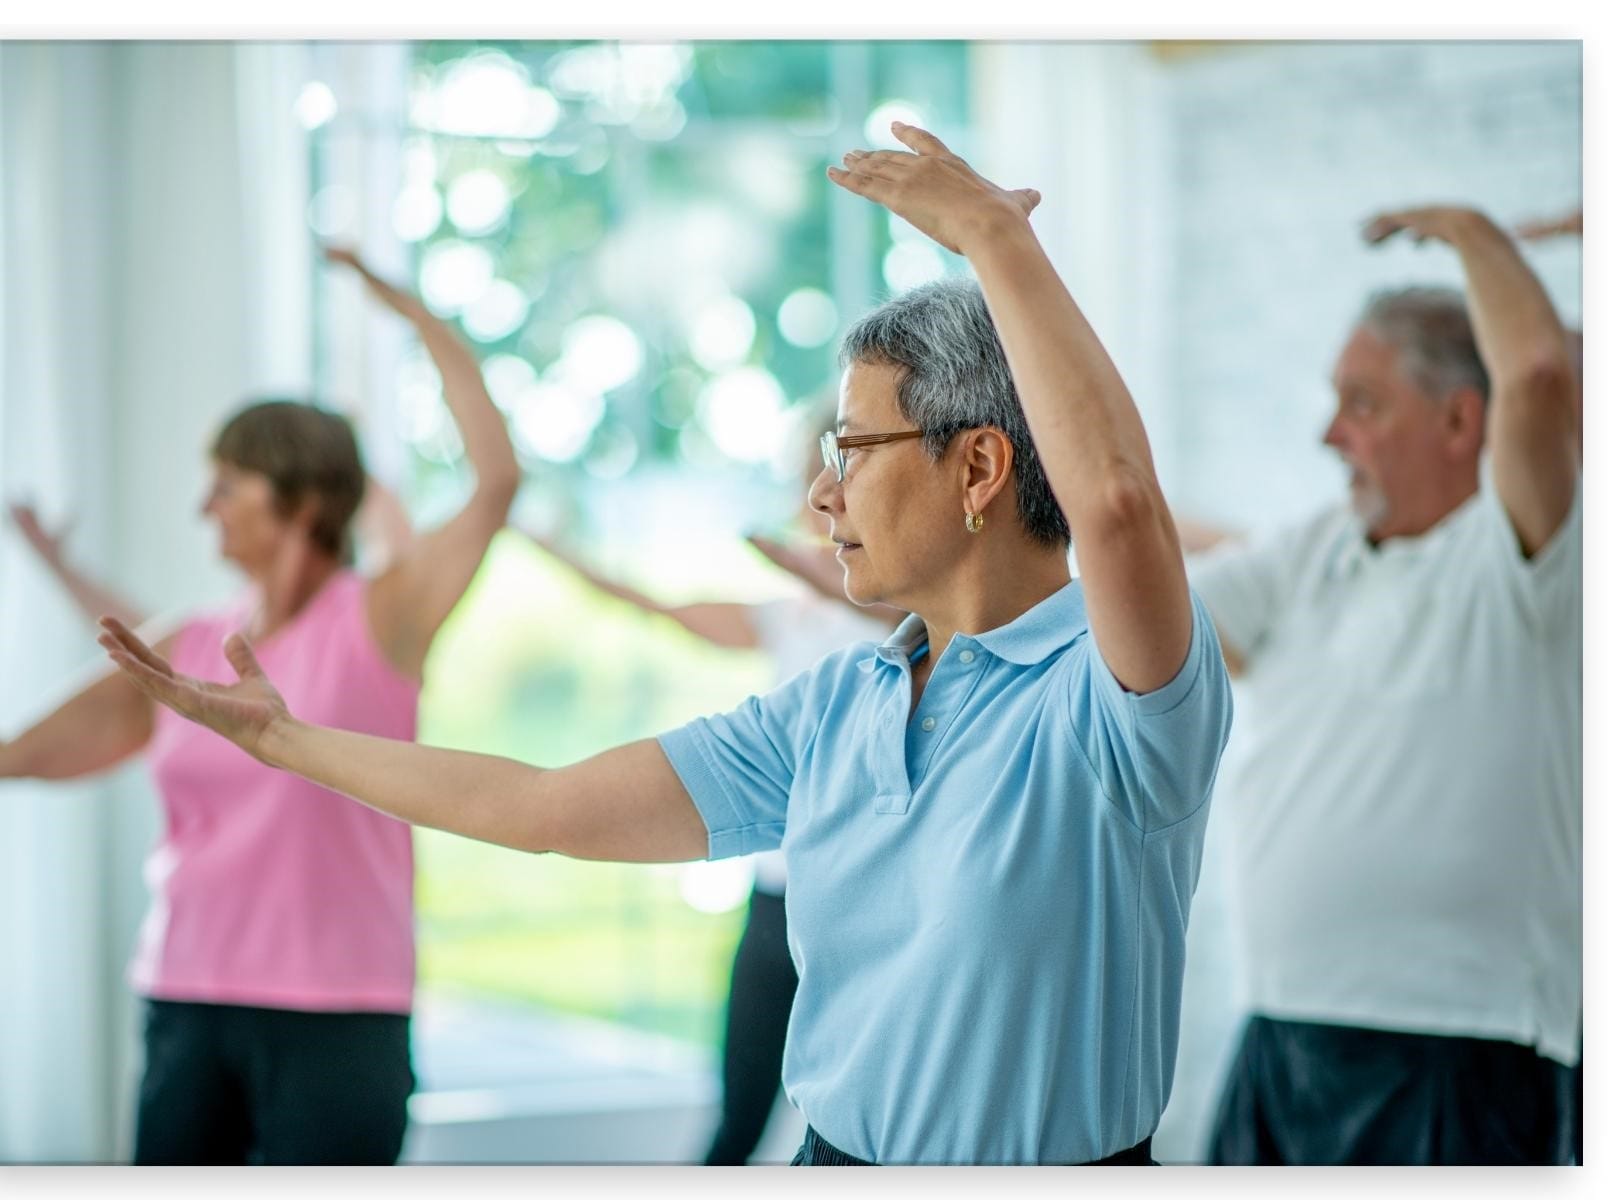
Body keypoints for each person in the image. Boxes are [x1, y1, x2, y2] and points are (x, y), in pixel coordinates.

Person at [97, 123, 1233, 1166]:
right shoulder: (835, 704)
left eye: (852, 450)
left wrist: (993, 239)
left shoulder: (1115, 697)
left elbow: (1120, 504)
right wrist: (290, 742)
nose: (822, 496)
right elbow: (539, 807)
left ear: (978, 469)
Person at [0, 246, 519, 1164]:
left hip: (340, 1013)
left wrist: (414, 315)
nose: (207, 508)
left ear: (301, 500)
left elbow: (495, 483)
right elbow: (44, 737)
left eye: (228, 485)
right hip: (187, 997)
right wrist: (52, 564)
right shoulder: (193, 642)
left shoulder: (382, 616)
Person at [1185, 206, 1580, 1165]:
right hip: (1282, 1028)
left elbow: (1536, 376)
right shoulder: (1312, 547)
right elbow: (1131, 624)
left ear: (1459, 421)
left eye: (1363, 404)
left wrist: (1472, 235)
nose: (1330, 434)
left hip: (1466, 1047)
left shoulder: (1526, 554)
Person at [519, 432, 898, 1165]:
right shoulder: (785, 615)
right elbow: (659, 608)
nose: (818, 493)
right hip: (777, 901)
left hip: (867, 907)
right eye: (810, 473)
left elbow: (897, 614)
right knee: (737, 1126)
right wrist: (559, 555)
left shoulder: (908, 615)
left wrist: (810, 570)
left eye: (840, 471)